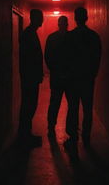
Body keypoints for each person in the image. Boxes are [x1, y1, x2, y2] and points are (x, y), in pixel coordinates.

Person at [64, 7, 101, 149]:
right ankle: (86, 137)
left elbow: (65, 59)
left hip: (73, 79)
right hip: (87, 78)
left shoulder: (70, 36)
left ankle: (73, 137)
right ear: (86, 18)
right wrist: (93, 73)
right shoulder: (94, 36)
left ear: (75, 18)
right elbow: (97, 57)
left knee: (73, 107)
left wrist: (66, 75)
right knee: (87, 108)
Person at [17, 9, 44, 147]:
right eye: (40, 17)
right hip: (29, 77)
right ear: (34, 18)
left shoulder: (30, 33)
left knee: (29, 105)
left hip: (30, 77)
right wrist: (34, 74)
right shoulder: (29, 35)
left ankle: (25, 134)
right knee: (29, 105)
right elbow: (29, 58)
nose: (42, 20)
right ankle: (24, 137)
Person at [45, 16, 69, 137]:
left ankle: (51, 125)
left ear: (58, 24)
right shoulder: (72, 38)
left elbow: (47, 57)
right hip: (70, 77)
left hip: (56, 76)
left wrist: (54, 70)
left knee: (54, 101)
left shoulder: (51, 38)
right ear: (67, 24)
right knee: (72, 104)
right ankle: (71, 130)